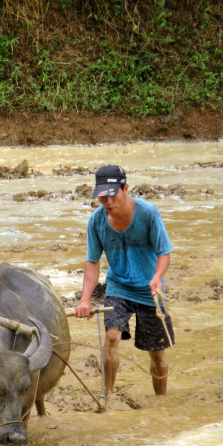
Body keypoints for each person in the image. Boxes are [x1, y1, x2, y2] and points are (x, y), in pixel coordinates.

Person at [74, 165, 174, 408]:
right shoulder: (96, 222)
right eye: (102, 196)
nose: (107, 201)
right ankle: (107, 398)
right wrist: (85, 300)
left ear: (125, 188)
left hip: (150, 290)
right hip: (119, 286)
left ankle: (160, 403)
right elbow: (92, 262)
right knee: (111, 337)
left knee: (156, 352)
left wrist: (157, 276)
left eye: (112, 195)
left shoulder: (148, 213)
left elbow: (164, 253)